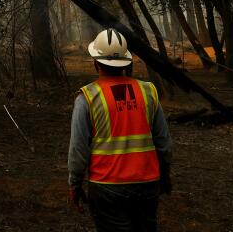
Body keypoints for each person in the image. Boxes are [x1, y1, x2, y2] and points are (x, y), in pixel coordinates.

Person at [68, 29, 173, 232]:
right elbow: (164, 143)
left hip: (107, 186)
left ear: (96, 62)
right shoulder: (148, 91)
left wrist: (75, 184)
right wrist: (165, 174)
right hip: (148, 183)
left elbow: (78, 150)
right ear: (126, 61)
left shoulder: (87, 98)